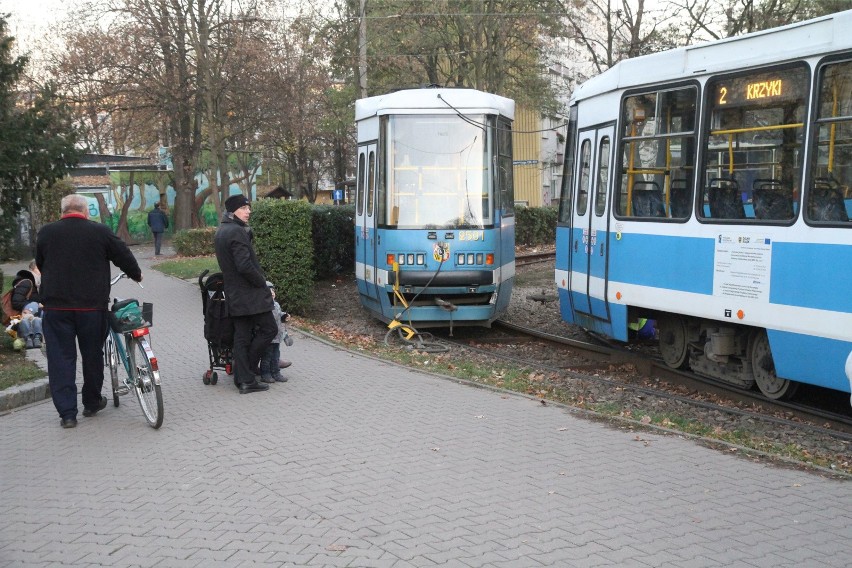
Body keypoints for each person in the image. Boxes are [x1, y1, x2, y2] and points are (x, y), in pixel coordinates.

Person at [36, 194, 143, 429]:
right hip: (91, 307)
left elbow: (40, 262)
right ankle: (92, 402)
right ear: (85, 212)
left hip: (56, 308)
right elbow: (122, 254)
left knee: (60, 359)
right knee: (93, 355)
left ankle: (67, 414)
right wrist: (136, 274)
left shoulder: (46, 232)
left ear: (62, 211)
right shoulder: (100, 231)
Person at [214, 194, 277, 394]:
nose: (248, 211)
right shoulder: (236, 232)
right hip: (250, 295)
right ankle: (246, 373)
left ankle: (243, 380)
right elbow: (245, 266)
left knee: (241, 337)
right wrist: (263, 285)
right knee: (269, 329)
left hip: (235, 294)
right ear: (233, 211)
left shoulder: (222, 231)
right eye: (244, 208)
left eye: (248, 208)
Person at [259, 281, 292, 384]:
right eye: (269, 291)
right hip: (269, 337)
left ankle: (276, 373)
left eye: (273, 290)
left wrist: (284, 316)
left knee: (275, 357)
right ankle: (265, 374)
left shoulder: (276, 304)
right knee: (267, 357)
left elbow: (278, 315)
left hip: (277, 337)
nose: (272, 292)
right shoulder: (263, 306)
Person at [9, 261, 43, 349]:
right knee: (35, 304)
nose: (41, 271)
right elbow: (16, 302)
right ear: (31, 269)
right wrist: (32, 307)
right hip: (22, 316)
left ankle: (37, 337)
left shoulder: (37, 284)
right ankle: (30, 337)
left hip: (33, 316)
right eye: (38, 268)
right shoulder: (27, 282)